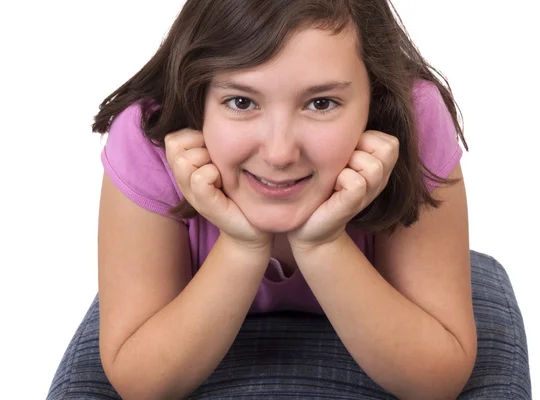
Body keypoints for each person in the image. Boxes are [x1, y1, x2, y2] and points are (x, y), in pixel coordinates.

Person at [51, 0, 504, 398]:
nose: (280, 152)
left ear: (376, 100)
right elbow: (143, 383)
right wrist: (242, 244)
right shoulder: (149, 135)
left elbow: (436, 382)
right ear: (196, 96)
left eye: (321, 104)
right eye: (242, 103)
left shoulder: (414, 119)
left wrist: (321, 244)